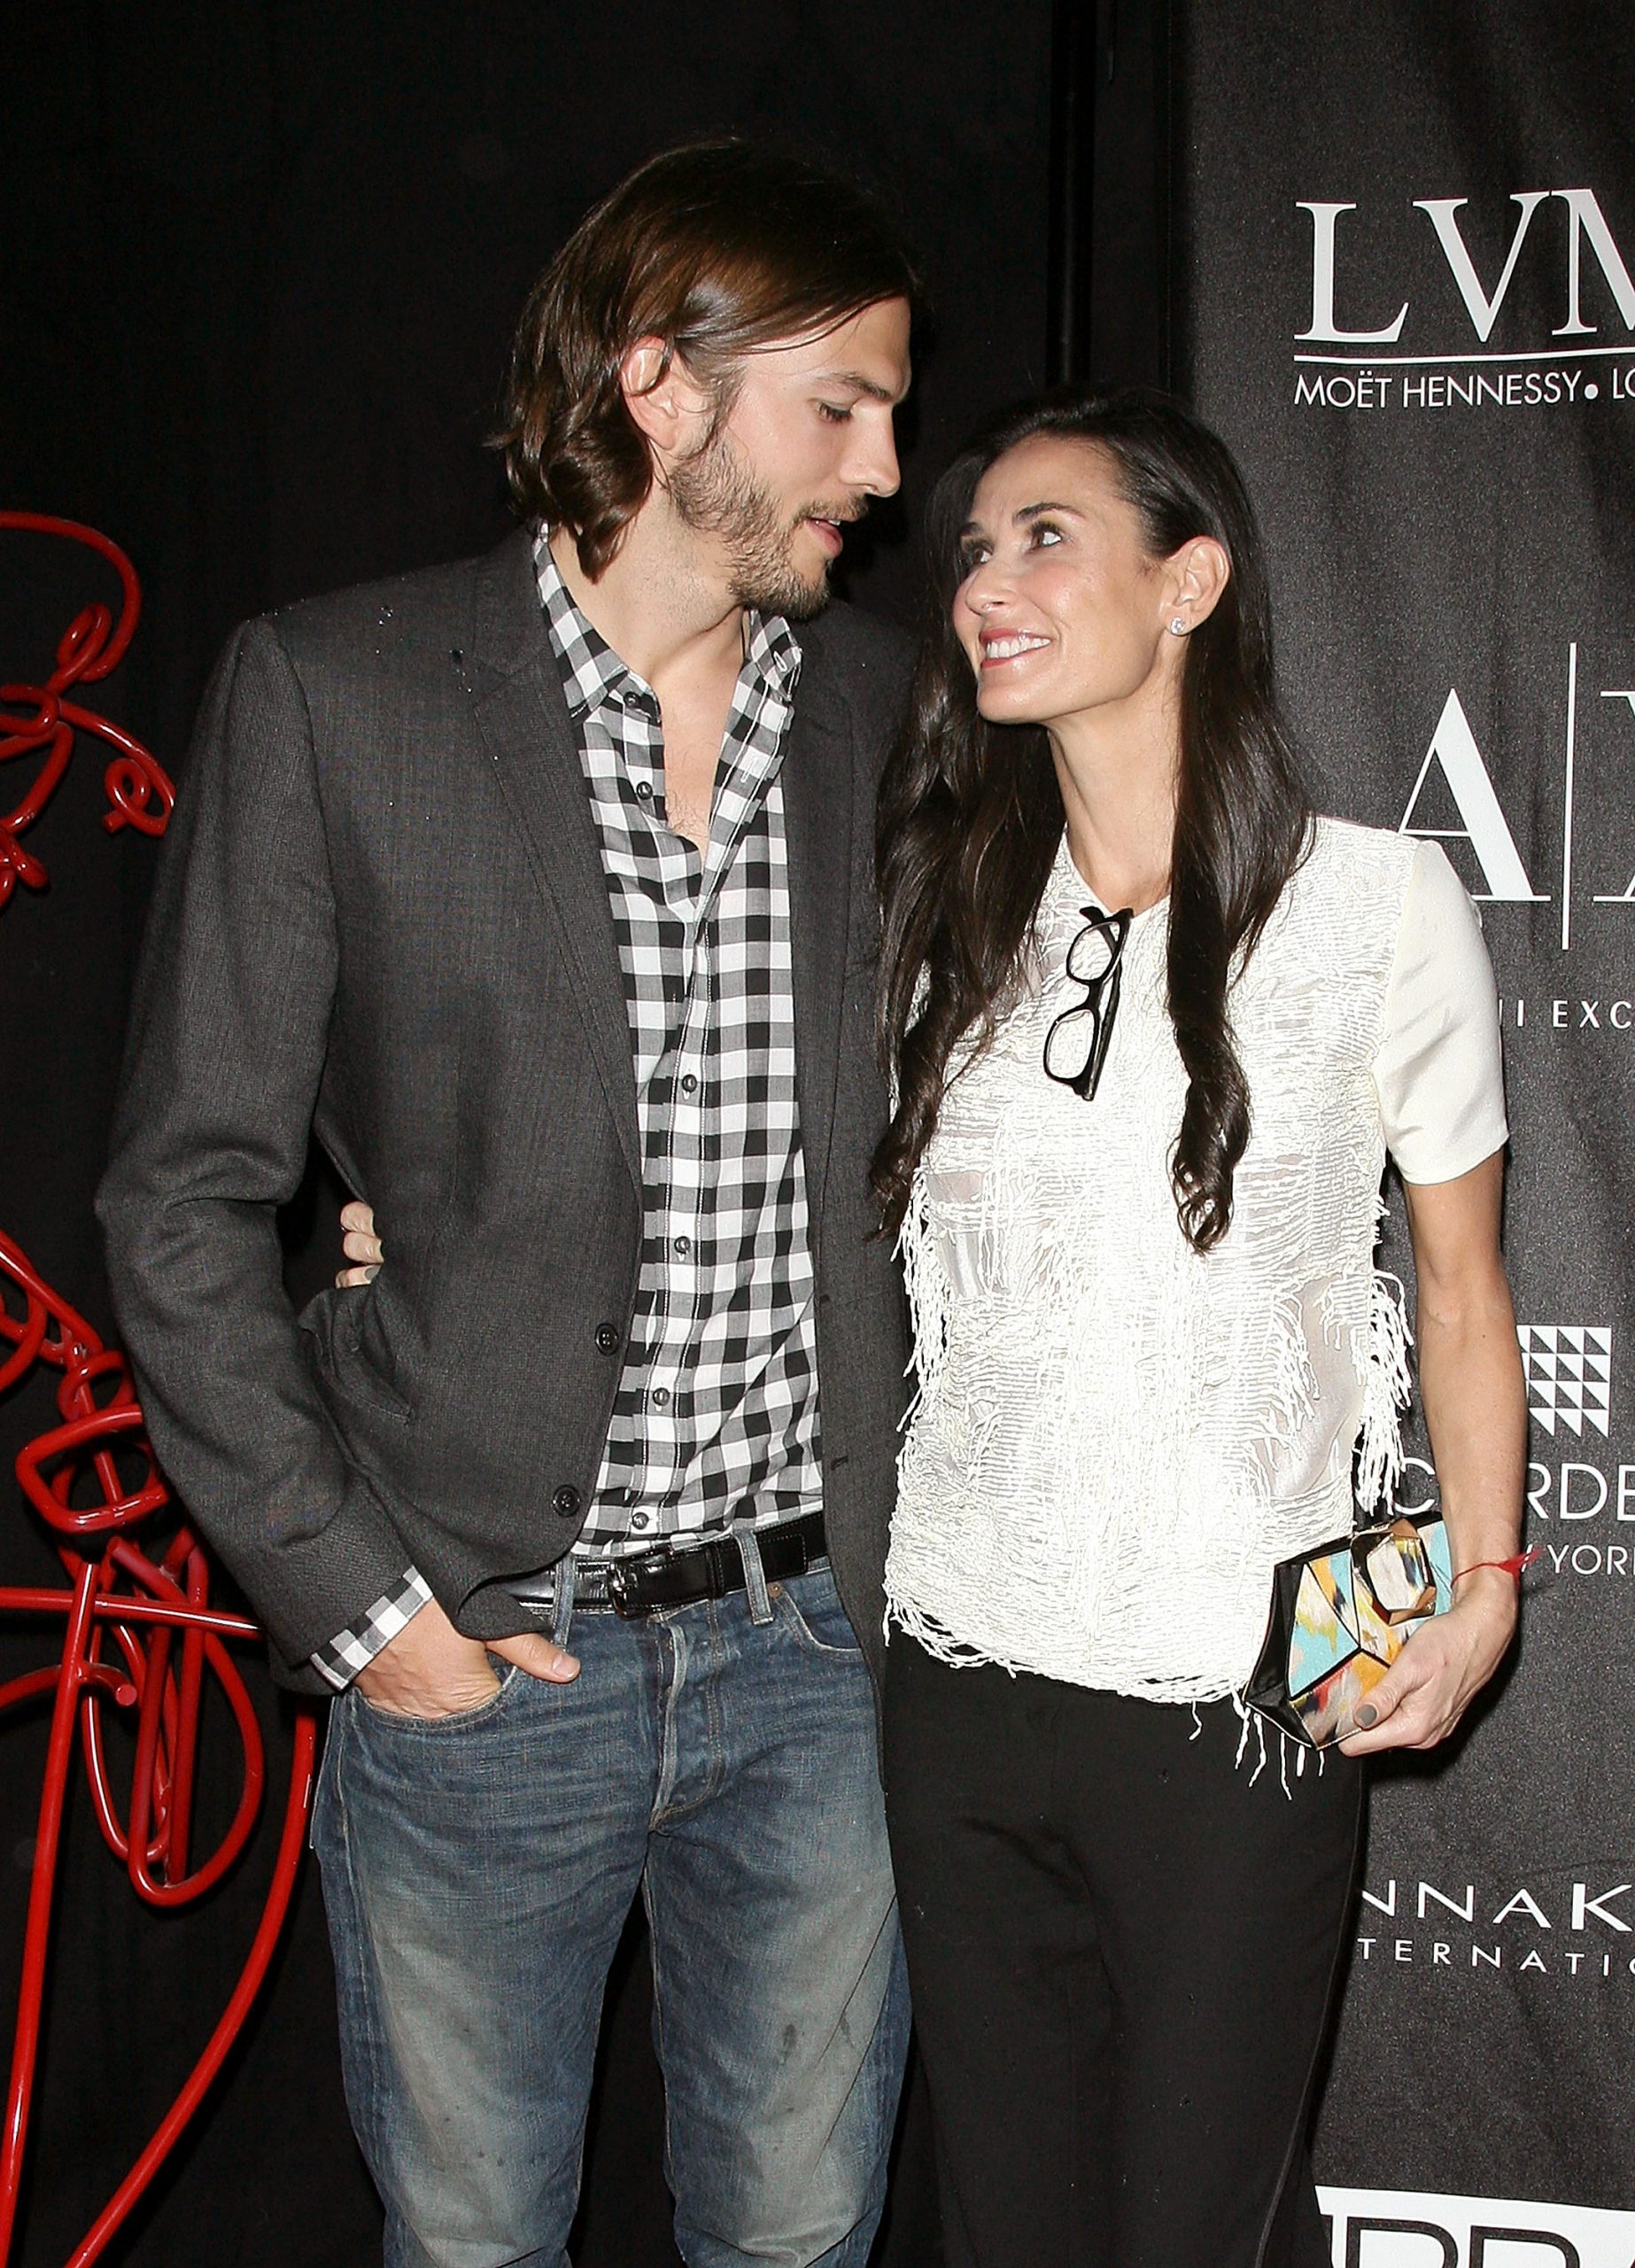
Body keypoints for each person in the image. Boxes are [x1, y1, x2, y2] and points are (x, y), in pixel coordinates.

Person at [97, 142, 918, 2268]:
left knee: (801, 2236)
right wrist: (369, 1617)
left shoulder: (892, 719)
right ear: (663, 386)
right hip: (484, 1639)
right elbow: (186, 1197)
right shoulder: (338, 692)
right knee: (468, 2244)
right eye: (838, 405)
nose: (884, 464)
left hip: (818, 1653)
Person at [869, 388, 1527, 2268]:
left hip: (1241, 1701)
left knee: (1187, 2234)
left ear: (1190, 580)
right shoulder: (940, 912)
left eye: (1044, 535)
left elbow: (1460, 1294)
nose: (987, 581)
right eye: (974, 548)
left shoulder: (1373, 905)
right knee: (1003, 2226)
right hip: (956, 1687)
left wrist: (1474, 1590)